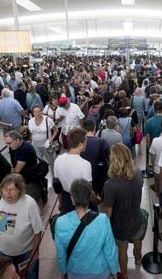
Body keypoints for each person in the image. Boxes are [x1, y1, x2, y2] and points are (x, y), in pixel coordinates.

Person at [54, 179, 119, 278]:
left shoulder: (61, 222)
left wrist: (63, 270)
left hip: (75, 272)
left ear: (72, 199)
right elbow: (110, 251)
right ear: (90, 197)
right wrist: (114, 271)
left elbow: (61, 253)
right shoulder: (102, 220)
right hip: (100, 272)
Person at [0, 174, 44, 279]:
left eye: (12, 189)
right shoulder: (0, 199)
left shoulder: (29, 203)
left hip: (26, 252)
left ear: (20, 189)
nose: (8, 194)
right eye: (5, 189)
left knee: (30, 275)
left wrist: (35, 251)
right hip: (2, 250)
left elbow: (37, 231)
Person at [102, 144, 144, 279]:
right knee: (138, 239)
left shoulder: (110, 185)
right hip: (136, 218)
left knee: (122, 248)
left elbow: (108, 213)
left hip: (119, 225)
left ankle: (124, 275)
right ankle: (138, 259)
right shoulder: (138, 173)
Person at [54, 128, 93, 213]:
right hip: (81, 201)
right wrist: (97, 200)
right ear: (80, 144)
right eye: (85, 142)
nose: (86, 144)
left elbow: (58, 185)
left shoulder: (58, 159)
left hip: (65, 198)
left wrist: (61, 203)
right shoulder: (85, 164)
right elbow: (87, 190)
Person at [4, 131, 41, 204]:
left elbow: (17, 169)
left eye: (9, 143)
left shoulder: (25, 149)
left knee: (30, 202)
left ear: (17, 140)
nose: (8, 146)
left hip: (30, 181)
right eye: (7, 143)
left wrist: (8, 179)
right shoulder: (13, 148)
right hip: (22, 179)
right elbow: (14, 165)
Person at [81, 119, 110, 197]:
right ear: (94, 128)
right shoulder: (101, 142)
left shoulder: (79, 143)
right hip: (99, 175)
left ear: (83, 129)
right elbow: (109, 156)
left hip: (84, 176)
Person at [28, 105, 58, 175]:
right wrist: (30, 143)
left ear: (42, 111)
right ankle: (41, 177)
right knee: (39, 162)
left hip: (46, 145)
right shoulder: (30, 121)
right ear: (33, 113)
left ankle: (54, 177)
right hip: (35, 145)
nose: (37, 113)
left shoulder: (48, 120)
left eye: (39, 111)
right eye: (35, 112)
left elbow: (56, 130)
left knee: (51, 161)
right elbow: (31, 134)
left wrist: (51, 138)